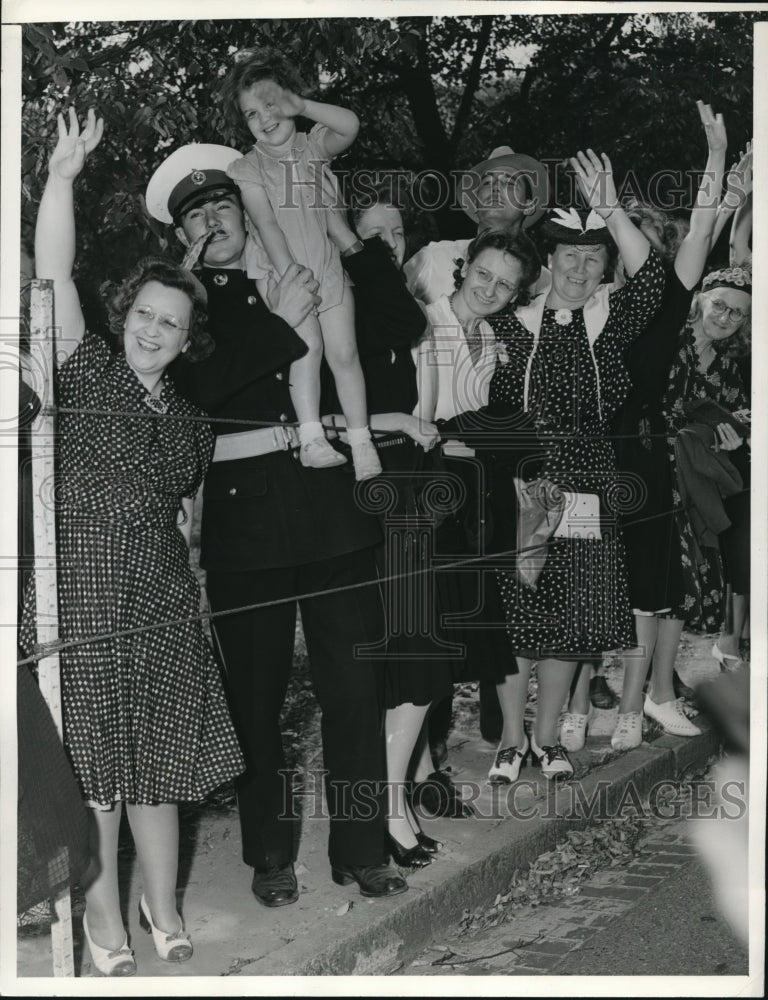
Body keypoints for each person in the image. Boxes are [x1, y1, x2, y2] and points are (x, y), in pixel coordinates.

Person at [145, 143, 408, 905]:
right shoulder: (179, 308)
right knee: (255, 700)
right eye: (195, 214)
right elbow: (199, 390)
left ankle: (362, 848)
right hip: (245, 527)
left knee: (356, 688)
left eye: (223, 203)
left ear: (248, 205)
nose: (213, 219)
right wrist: (282, 327)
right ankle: (269, 852)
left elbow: (396, 322)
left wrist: (347, 241)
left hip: (332, 513)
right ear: (181, 237)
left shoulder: (297, 264)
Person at [24, 108, 244, 976]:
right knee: (98, 779)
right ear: (128, 316)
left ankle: (165, 907)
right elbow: (54, 269)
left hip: (158, 602)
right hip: (80, 598)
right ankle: (101, 922)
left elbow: (186, 527)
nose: (155, 331)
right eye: (146, 315)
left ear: (189, 341)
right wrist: (65, 178)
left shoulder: (193, 425)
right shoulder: (88, 370)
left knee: (159, 774)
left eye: (172, 325)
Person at [487, 150, 665, 780]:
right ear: (550, 260)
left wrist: (612, 208)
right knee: (520, 606)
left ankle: (547, 739)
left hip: (588, 481)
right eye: (568, 254)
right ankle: (510, 740)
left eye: (593, 258)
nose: (580, 267)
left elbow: (655, 281)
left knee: (572, 612)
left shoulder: (609, 322)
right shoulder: (511, 324)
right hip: (527, 481)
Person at [565, 101, 730, 750]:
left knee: (648, 589)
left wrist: (715, 161)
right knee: (583, 580)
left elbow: (701, 228)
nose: (636, 242)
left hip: (642, 456)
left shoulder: (666, 301)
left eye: (643, 232)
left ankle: (634, 711)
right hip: (584, 458)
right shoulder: (584, 306)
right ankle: (572, 715)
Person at [413, 229, 542, 785]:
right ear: (464, 268)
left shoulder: (493, 342)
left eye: (506, 284)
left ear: (516, 294)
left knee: (455, 630)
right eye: (485, 274)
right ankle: (417, 765)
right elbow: (423, 421)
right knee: (422, 631)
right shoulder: (422, 320)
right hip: (421, 496)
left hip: (469, 505)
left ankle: (430, 759)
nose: (491, 288)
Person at [216, 47, 380, 481]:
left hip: (326, 266)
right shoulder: (246, 168)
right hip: (283, 271)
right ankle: (311, 438)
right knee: (308, 350)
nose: (264, 118)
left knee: (345, 353)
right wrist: (290, 275)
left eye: (271, 104)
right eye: (251, 113)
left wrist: (304, 105)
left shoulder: (312, 148)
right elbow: (266, 222)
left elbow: (351, 125)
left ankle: (361, 440)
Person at [660, 264, 751, 670]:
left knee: (681, 583)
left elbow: (728, 421)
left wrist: (731, 437)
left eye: (738, 313)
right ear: (700, 299)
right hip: (649, 471)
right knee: (649, 582)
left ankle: (662, 679)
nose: (726, 318)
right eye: (720, 305)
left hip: (692, 483)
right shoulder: (666, 339)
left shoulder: (730, 366)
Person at [404, 144, 550, 306]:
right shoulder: (433, 257)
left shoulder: (543, 281)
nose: (495, 188)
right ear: (475, 203)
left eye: (509, 183)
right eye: (487, 183)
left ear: (528, 205)